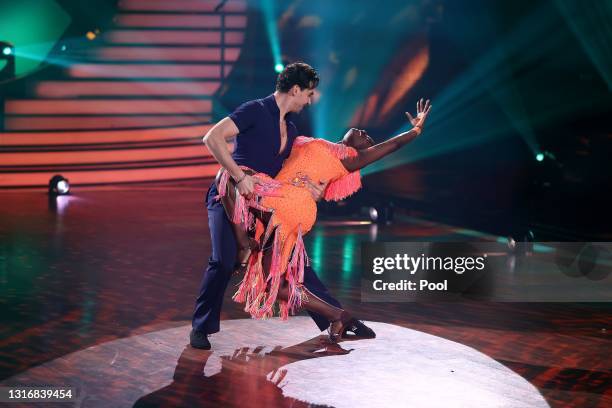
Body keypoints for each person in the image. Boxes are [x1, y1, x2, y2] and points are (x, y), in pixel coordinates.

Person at [190, 62, 375, 349]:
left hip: (267, 203)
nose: (311, 100)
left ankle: (338, 318)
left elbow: (302, 168)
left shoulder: (290, 127)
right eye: (309, 93)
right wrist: (239, 178)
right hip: (230, 196)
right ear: (296, 89)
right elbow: (211, 138)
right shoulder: (255, 110)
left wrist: (316, 188)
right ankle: (201, 328)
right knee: (224, 260)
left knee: (297, 265)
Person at [216, 98, 432, 342]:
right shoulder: (321, 144)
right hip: (282, 198)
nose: (363, 133)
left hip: (289, 203)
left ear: (364, 149)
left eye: (367, 138)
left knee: (228, 175)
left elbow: (392, 145)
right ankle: (337, 315)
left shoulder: (350, 158)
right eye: (363, 132)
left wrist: (415, 130)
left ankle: (244, 244)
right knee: (271, 284)